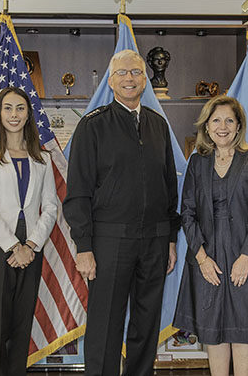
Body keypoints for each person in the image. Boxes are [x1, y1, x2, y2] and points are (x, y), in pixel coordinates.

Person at [64, 49, 180, 376]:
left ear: (144, 80)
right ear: (111, 81)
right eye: (122, 73)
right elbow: (78, 192)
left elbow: (169, 186)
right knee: (105, 325)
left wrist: (170, 239)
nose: (129, 78)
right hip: (108, 242)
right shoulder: (93, 126)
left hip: (155, 241)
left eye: (136, 72)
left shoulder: (158, 125)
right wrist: (84, 246)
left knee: (146, 324)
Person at [173, 96, 248, 376]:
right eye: (216, 120)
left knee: (243, 329)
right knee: (214, 330)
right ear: (207, 127)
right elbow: (187, 212)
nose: (222, 126)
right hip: (208, 257)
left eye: (229, 120)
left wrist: (245, 257)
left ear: (238, 127)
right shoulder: (197, 163)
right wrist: (201, 259)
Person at [0, 87, 59, 376]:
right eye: (7, 108)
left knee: (22, 328)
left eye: (20, 108)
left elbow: (50, 207)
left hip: (31, 250)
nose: (14, 114)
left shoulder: (42, 159)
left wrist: (31, 245)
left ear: (28, 114)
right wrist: (13, 247)